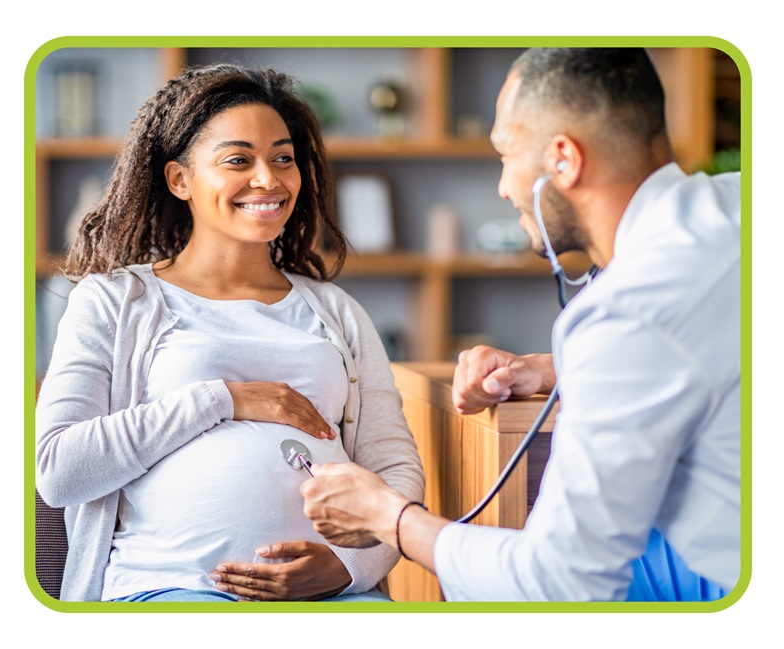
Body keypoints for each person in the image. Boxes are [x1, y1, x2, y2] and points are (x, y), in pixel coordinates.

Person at [300, 48, 741, 602]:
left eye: (506, 154)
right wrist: (554, 370)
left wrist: (392, 519)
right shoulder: (739, 204)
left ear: (563, 160)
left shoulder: (627, 312)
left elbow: (557, 584)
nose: (505, 187)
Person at [35, 63, 424, 603]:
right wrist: (226, 399)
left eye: (283, 158)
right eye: (238, 159)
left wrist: (348, 566)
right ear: (181, 179)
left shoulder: (336, 311)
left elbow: (394, 468)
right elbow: (60, 471)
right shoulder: (114, 302)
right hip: (168, 588)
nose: (269, 179)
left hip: (337, 597)